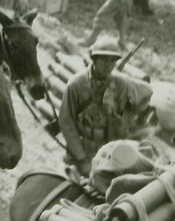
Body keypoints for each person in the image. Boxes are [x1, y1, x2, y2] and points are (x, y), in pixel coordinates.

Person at [58, 36, 153, 176]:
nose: (108, 65)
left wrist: (130, 117)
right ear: (94, 58)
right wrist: (82, 159)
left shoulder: (121, 83)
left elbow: (147, 91)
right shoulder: (77, 84)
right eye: (103, 60)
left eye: (113, 61)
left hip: (110, 153)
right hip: (82, 153)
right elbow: (66, 122)